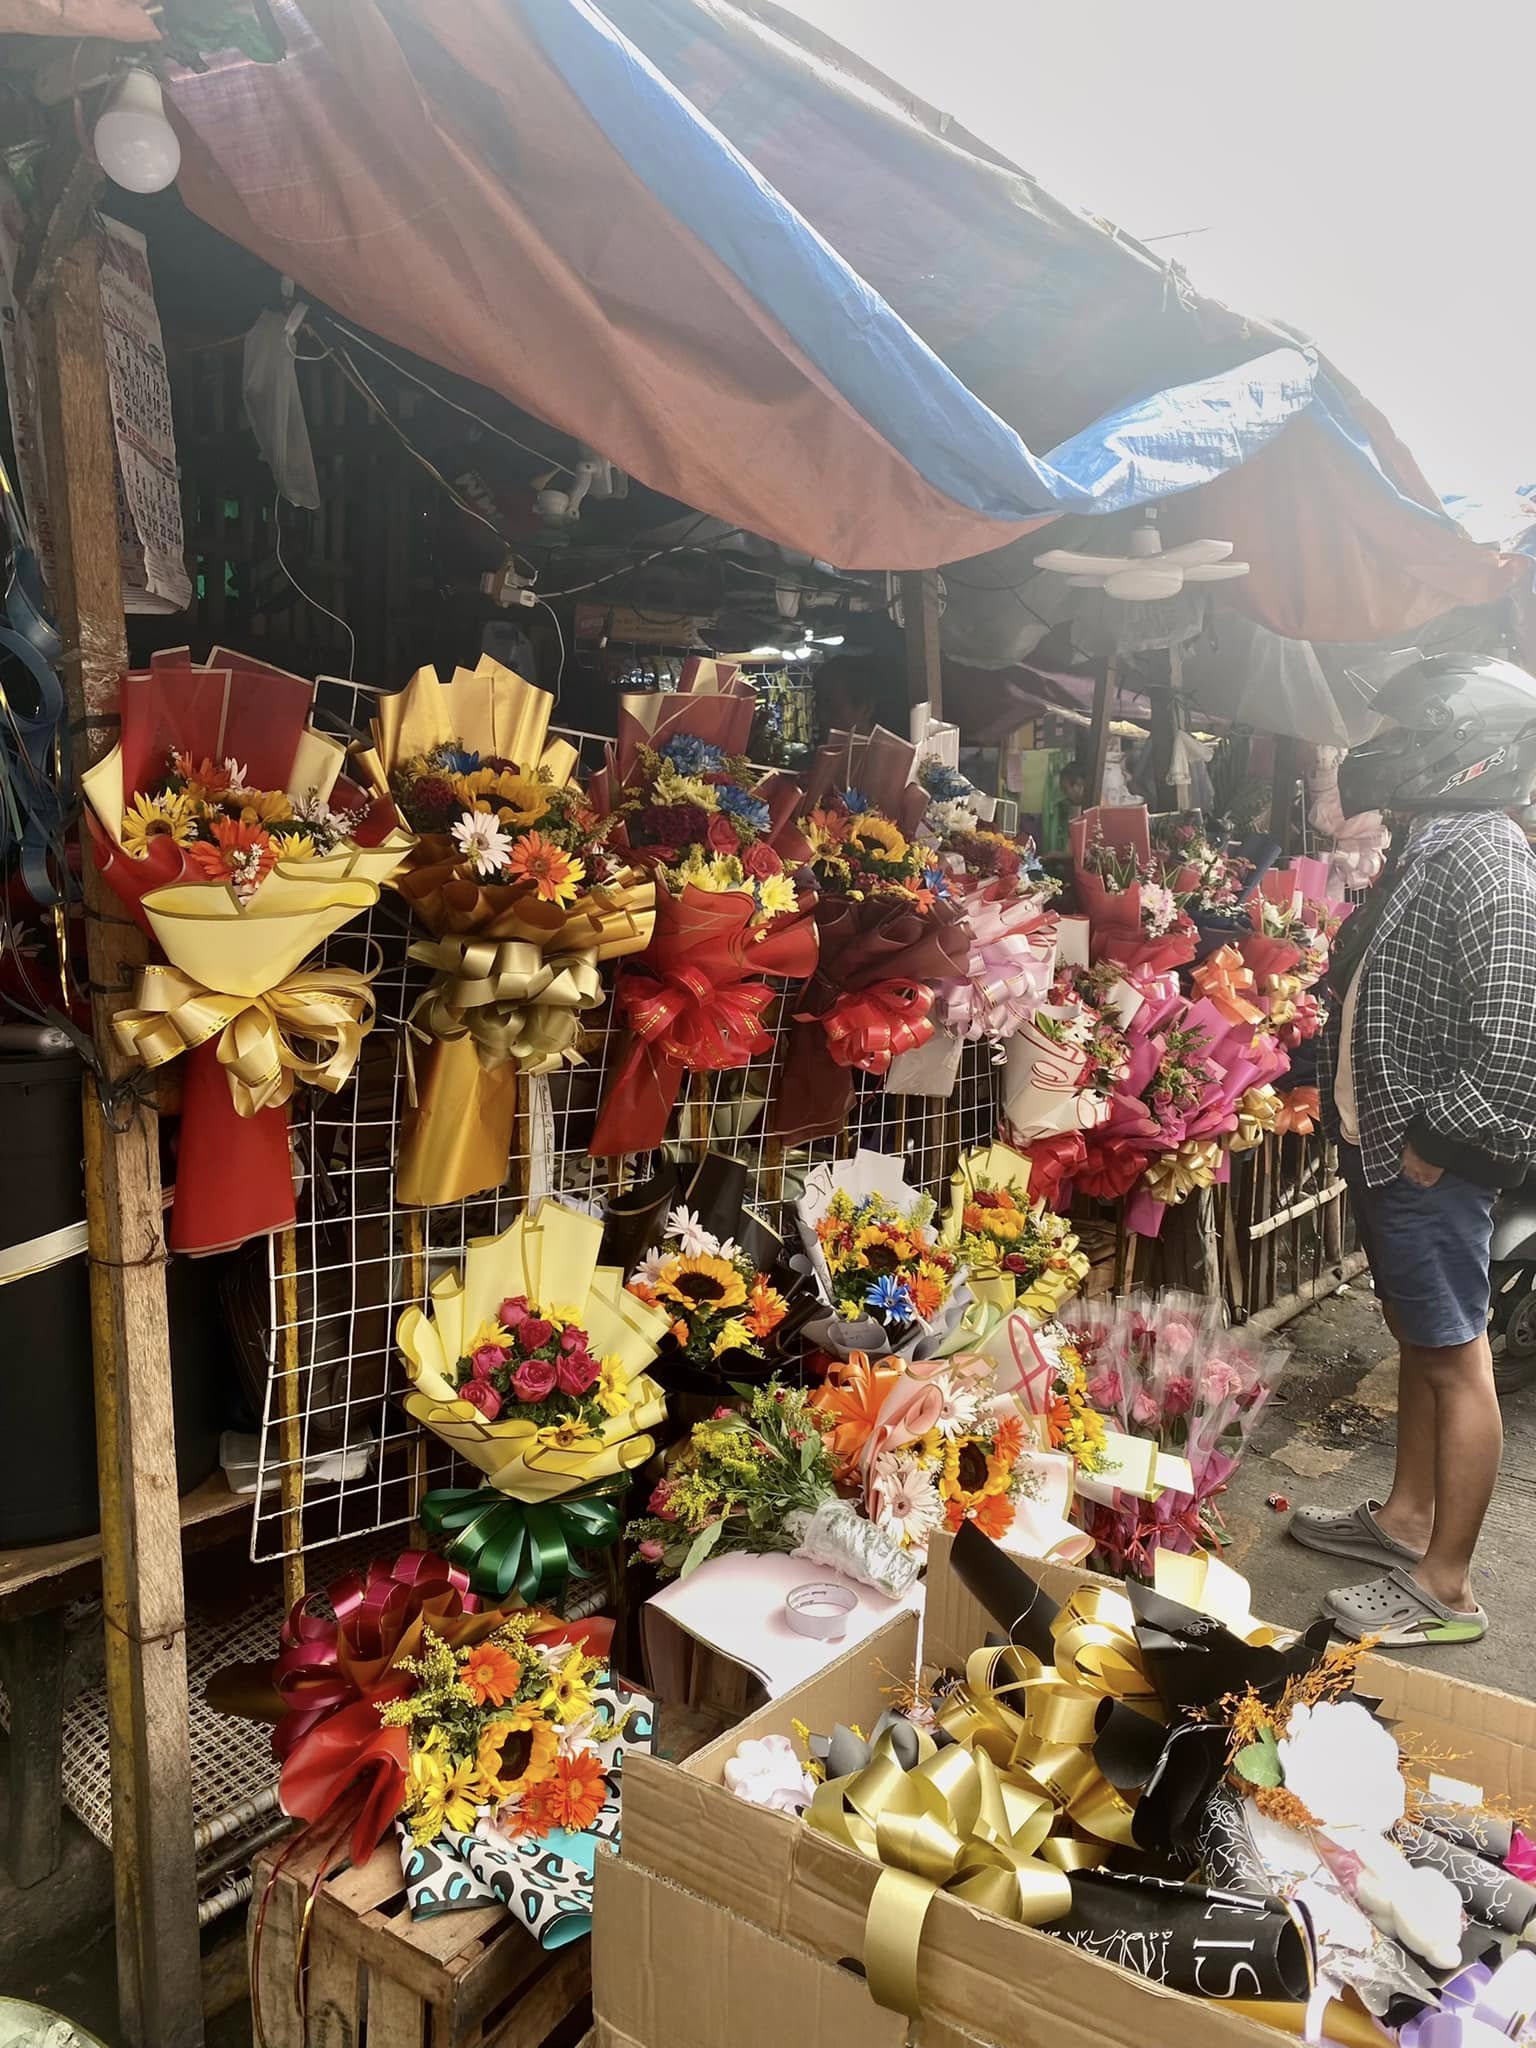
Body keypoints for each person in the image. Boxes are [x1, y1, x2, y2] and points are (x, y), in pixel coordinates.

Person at [1289, 653, 1536, 1646]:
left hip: (1432, 1150)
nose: (1379, 748)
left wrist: (1441, 1138)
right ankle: (1404, 1519)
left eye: (1401, 731)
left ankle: (1447, 1585)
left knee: (1454, 1356)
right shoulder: (1441, 842)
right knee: (1421, 1340)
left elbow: (1514, 1030)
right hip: (1392, 1138)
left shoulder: (1489, 857)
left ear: (1461, 743)